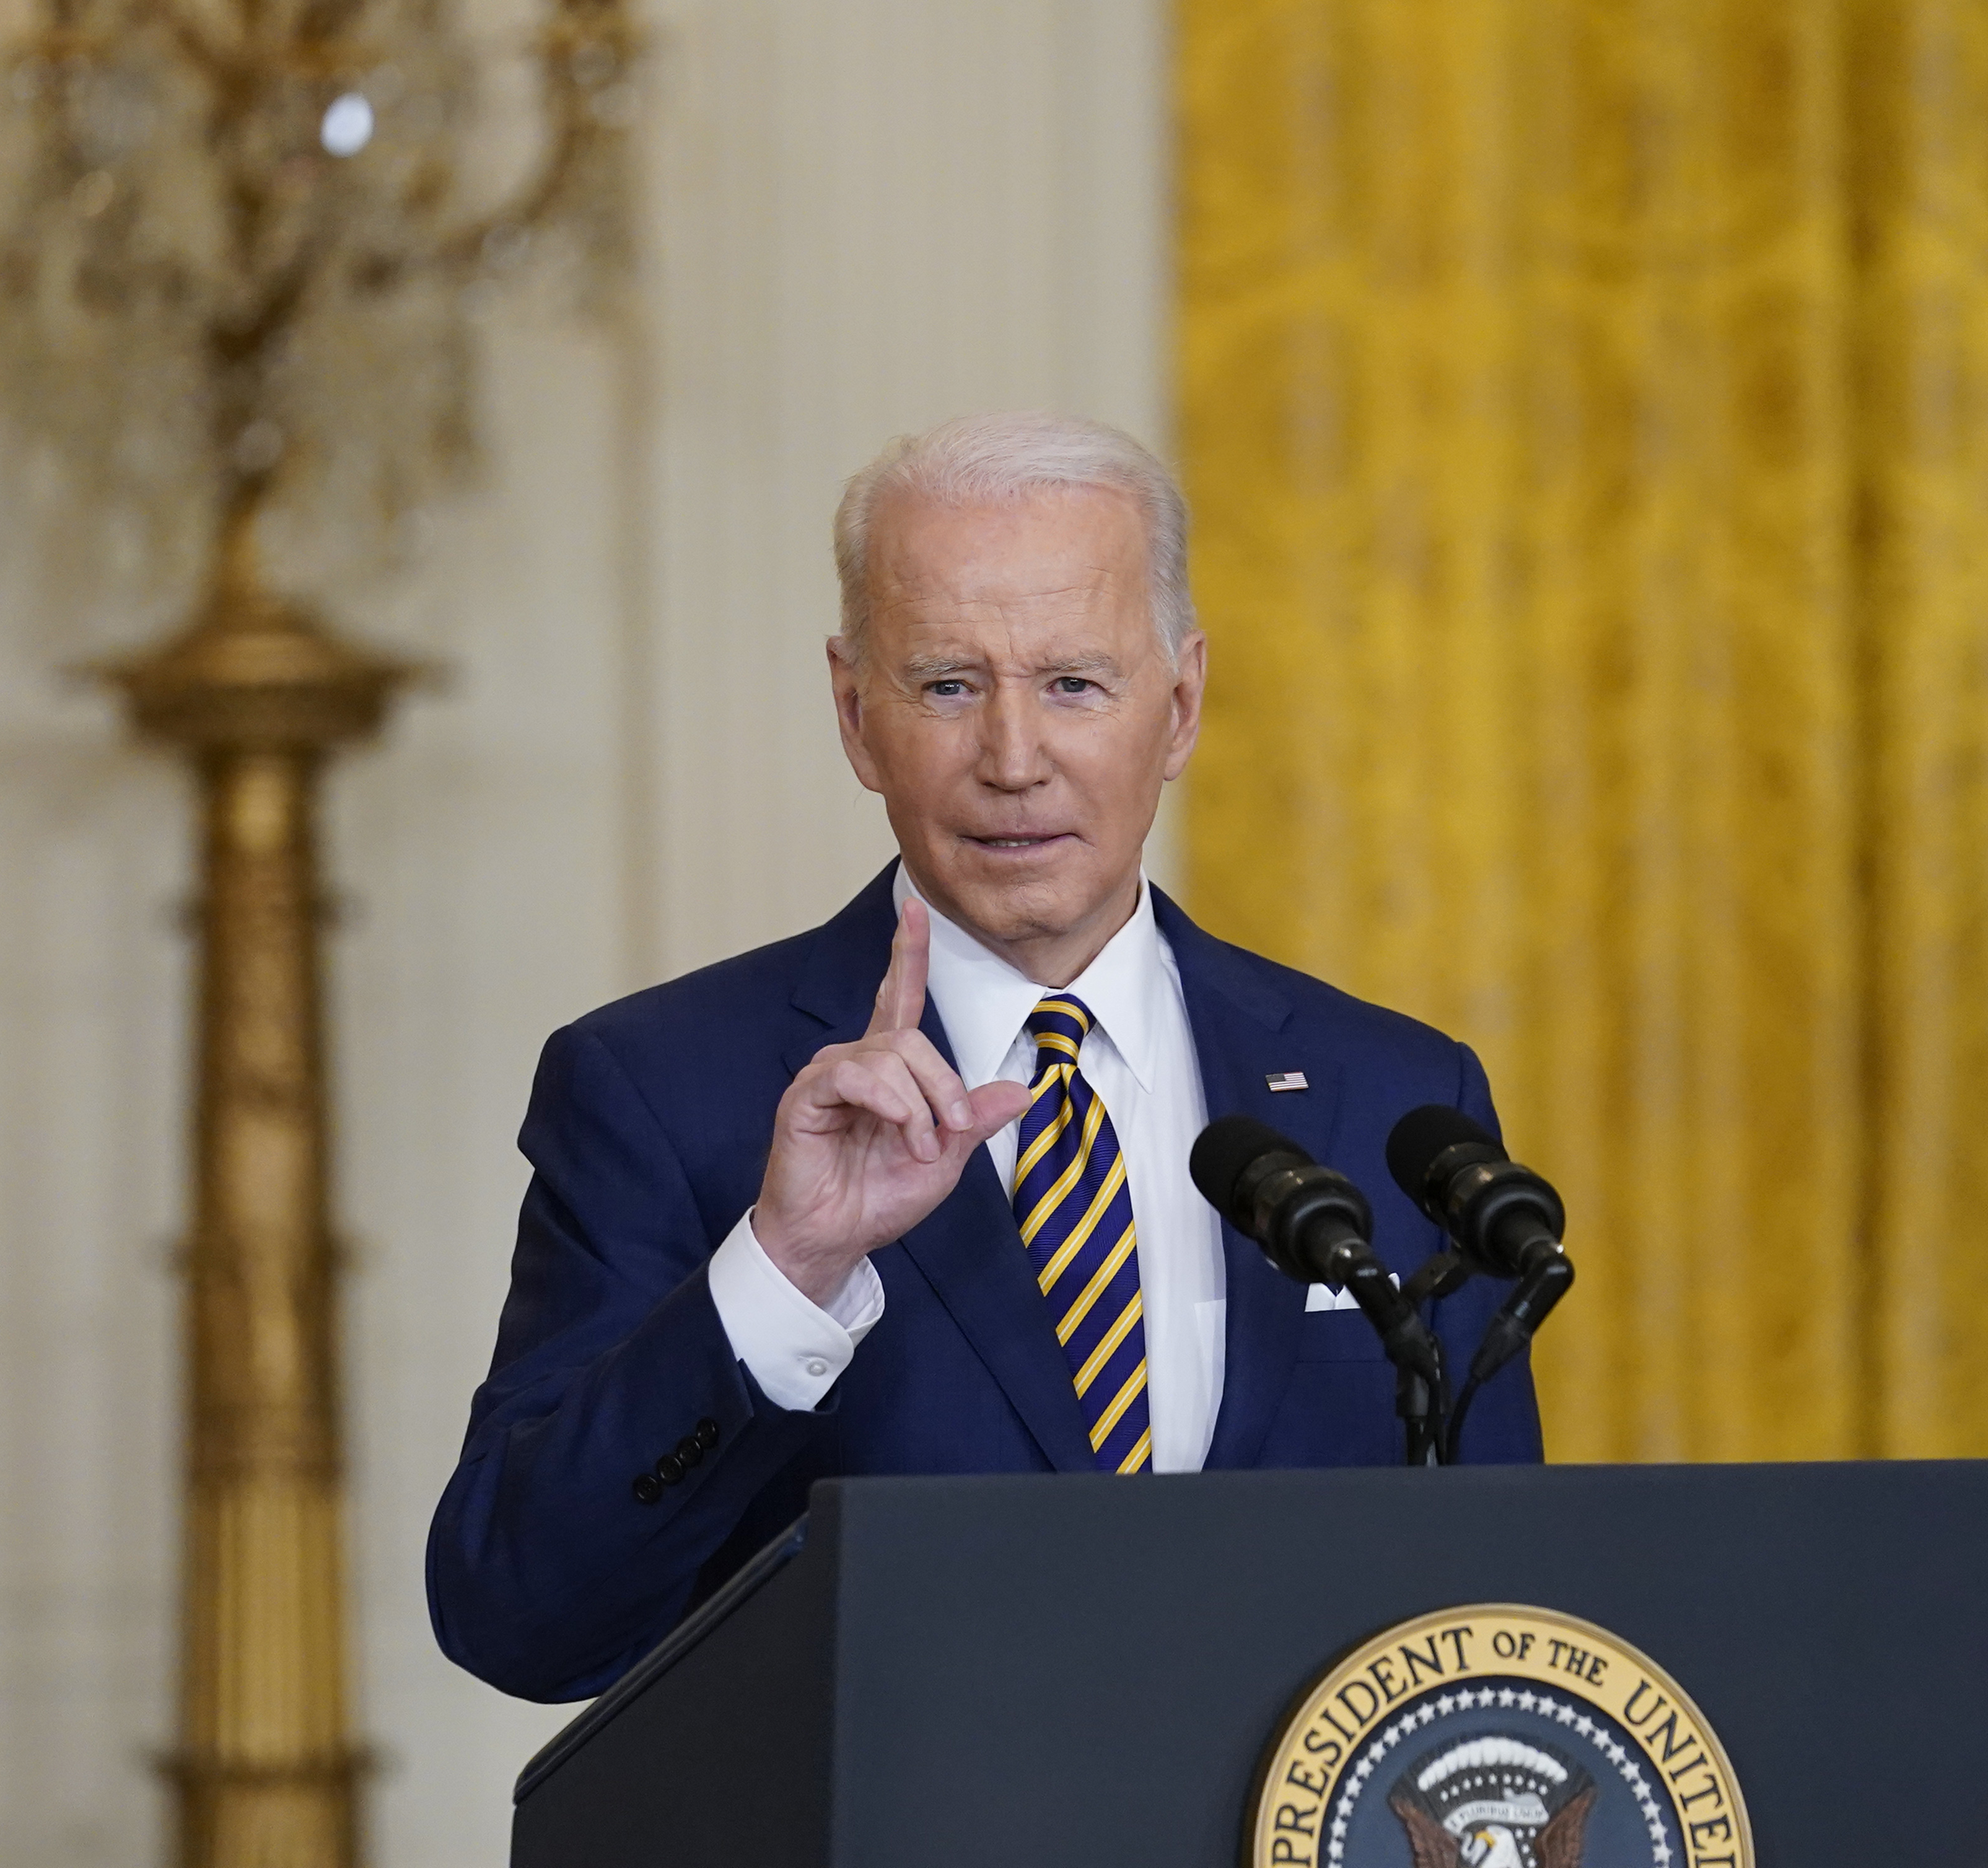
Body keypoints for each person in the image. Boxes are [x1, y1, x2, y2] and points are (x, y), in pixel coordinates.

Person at [426, 412, 1541, 1703]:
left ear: (1180, 708)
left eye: (1075, 684)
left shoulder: (1397, 1099)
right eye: (950, 686)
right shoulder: (664, 1092)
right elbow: (516, 1615)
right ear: (856, 715)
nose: (1014, 760)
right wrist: (785, 1270)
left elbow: (1501, 1617)